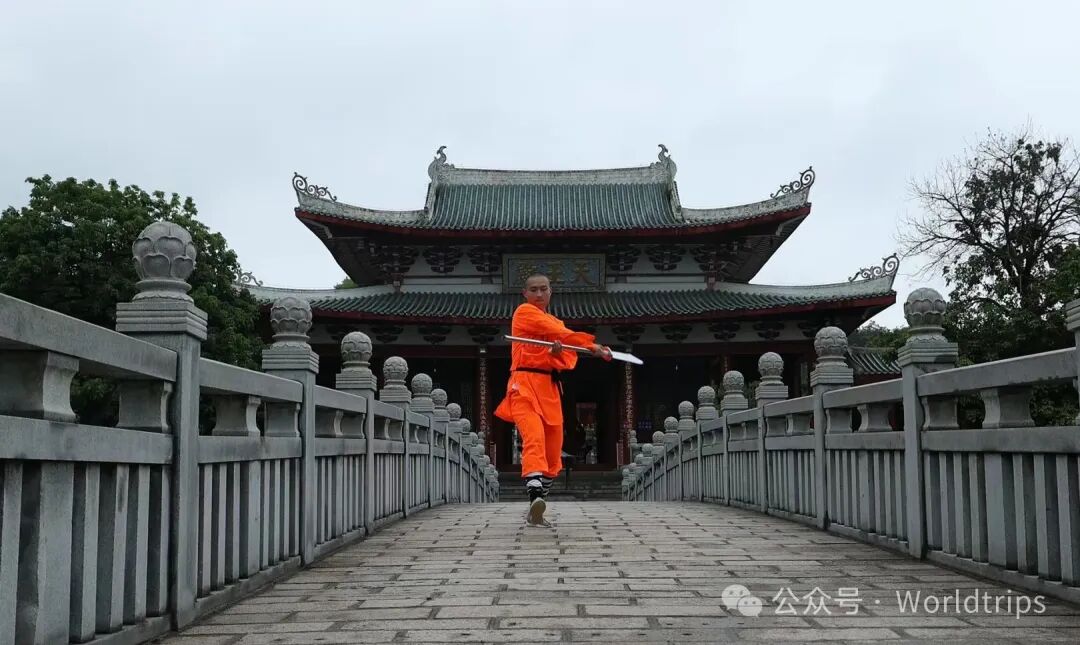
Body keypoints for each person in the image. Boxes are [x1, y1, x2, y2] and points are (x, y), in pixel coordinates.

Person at [494, 273, 611, 527]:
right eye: (534, 289)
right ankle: (534, 495)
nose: (538, 294)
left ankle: (538, 505)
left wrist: (556, 352)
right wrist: (593, 347)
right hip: (524, 385)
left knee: (552, 452)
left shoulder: (555, 322)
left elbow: (566, 361)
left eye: (543, 289)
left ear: (550, 292)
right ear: (525, 293)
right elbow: (560, 332)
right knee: (533, 437)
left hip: (549, 389)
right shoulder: (524, 312)